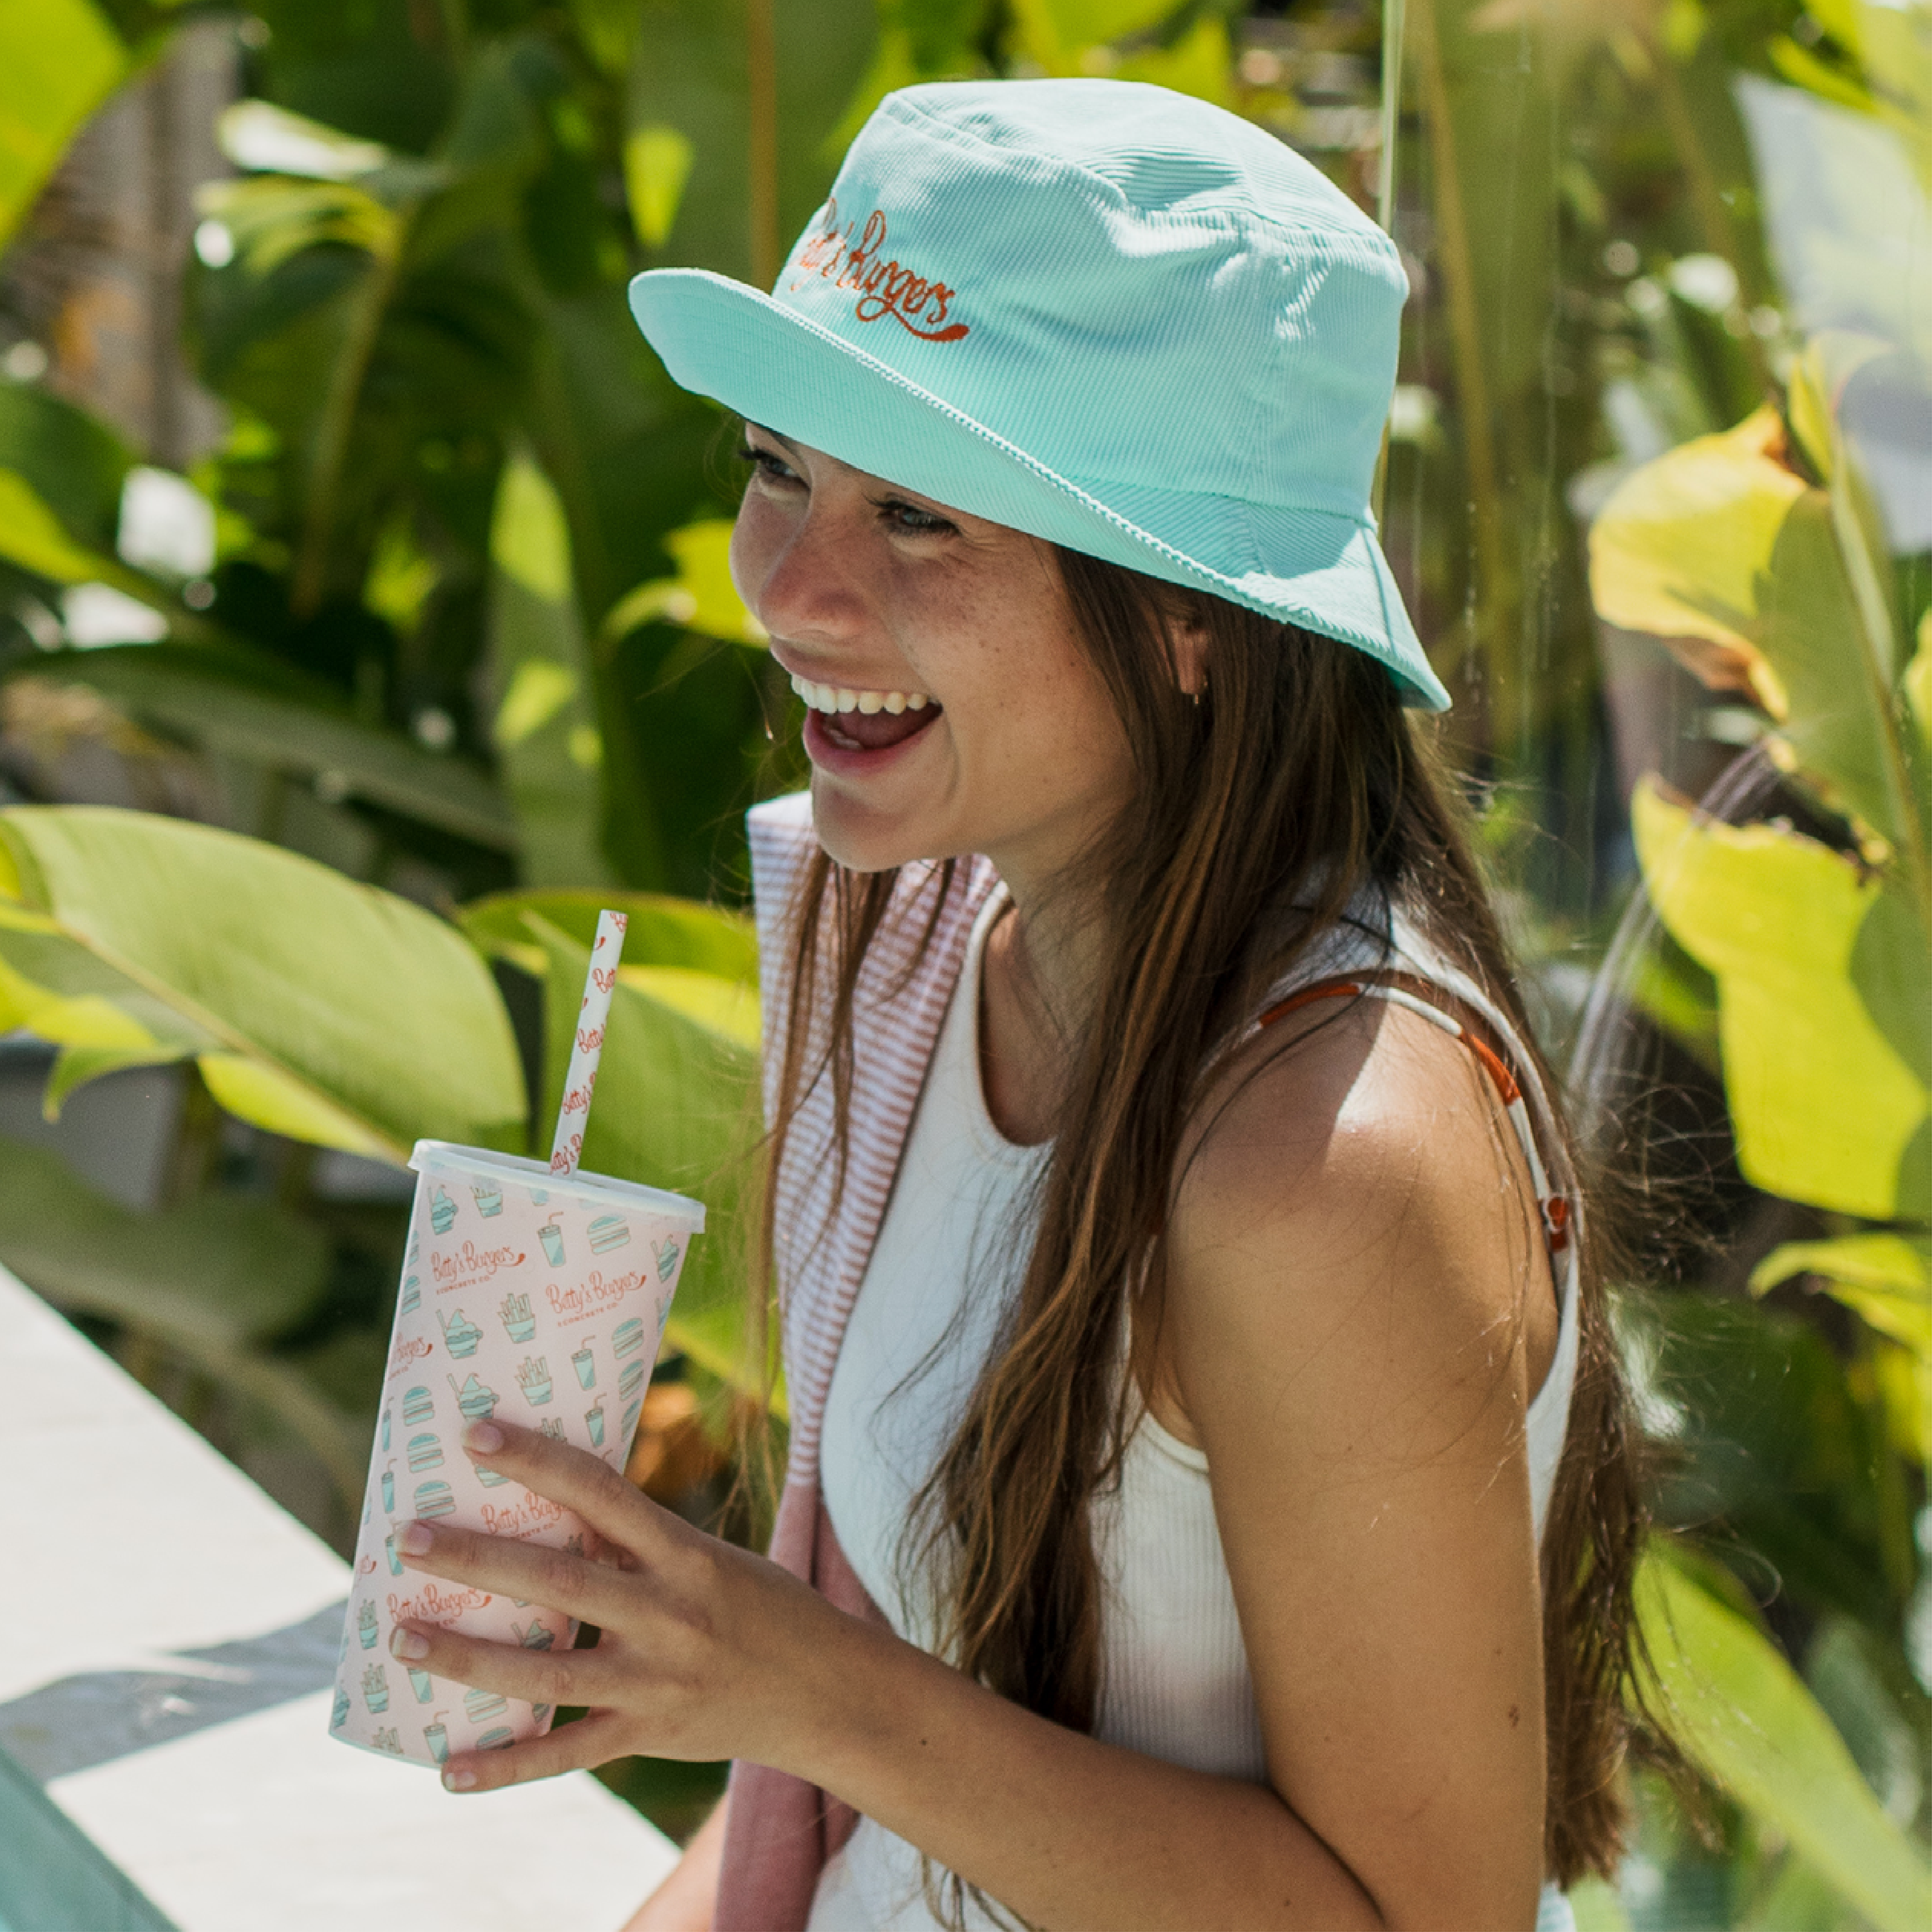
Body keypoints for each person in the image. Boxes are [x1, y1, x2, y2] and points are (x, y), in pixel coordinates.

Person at [386, 79, 1651, 1932]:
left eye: (918, 514)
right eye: (775, 466)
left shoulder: (1319, 1166)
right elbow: (877, 1799)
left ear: (1199, 611)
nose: (788, 585)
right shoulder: (915, 930)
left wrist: (800, 1686)